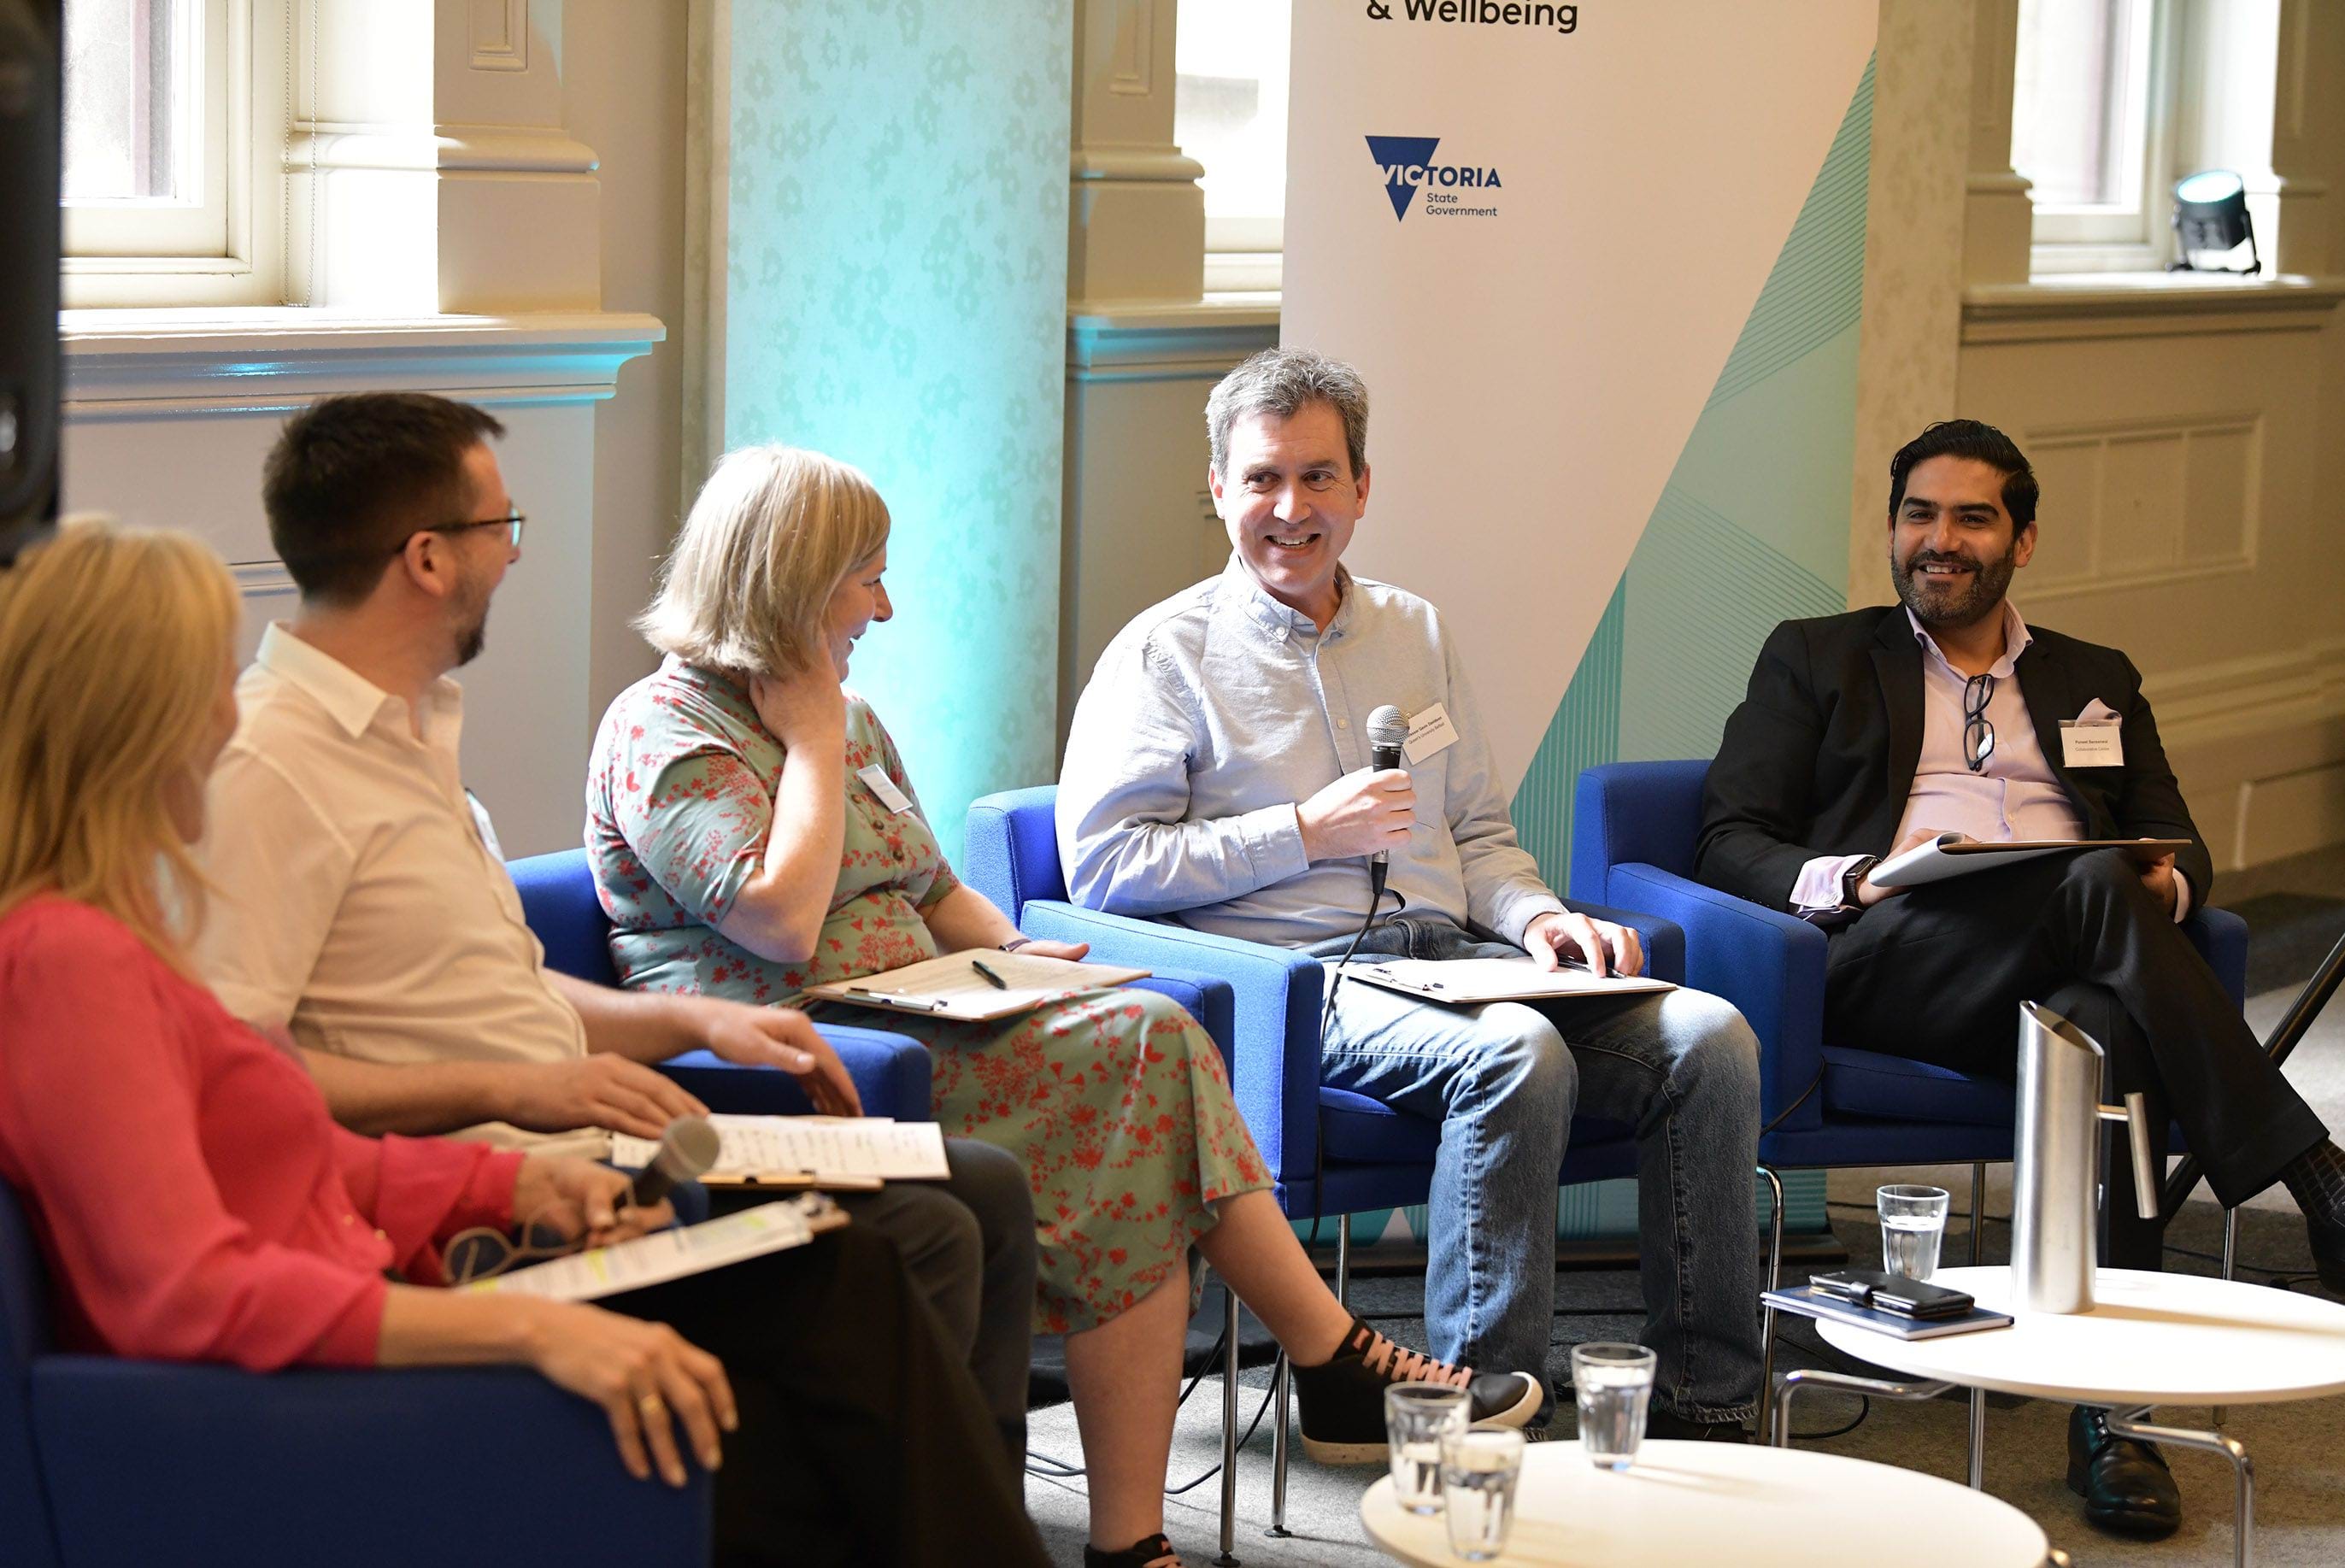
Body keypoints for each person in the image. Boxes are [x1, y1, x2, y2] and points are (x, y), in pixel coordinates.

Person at [0, 518, 1049, 1568]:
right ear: (129, 722)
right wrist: (531, 1329)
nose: (228, 714)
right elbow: (189, 1288)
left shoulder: (114, 934)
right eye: (204, 688)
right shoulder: (68, 961)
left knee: (838, 1326)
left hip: (373, 1307)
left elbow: (307, 1156)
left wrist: (500, 1191)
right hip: (306, 1401)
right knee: (834, 1330)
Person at [584, 443, 1543, 1568]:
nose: (882, 608)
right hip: (796, 1054)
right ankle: (1322, 1364)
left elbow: (933, 887)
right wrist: (809, 740)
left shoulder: (850, 714)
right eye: (866, 578)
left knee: (1140, 1077)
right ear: (790, 580)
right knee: (1149, 1052)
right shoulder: (665, 728)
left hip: (924, 1018)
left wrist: (1021, 953)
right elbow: (780, 923)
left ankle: (1143, 1530)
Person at [185, 391, 1037, 1475]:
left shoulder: (412, 731)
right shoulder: (273, 768)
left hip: (588, 1149)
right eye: (502, 528)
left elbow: (513, 993)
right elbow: (235, 1078)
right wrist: (508, 1088)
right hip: (493, 1195)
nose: (515, 556)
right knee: (915, 1235)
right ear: (428, 559)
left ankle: (973, 1523)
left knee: (982, 1190)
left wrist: (695, 1023)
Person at [1056, 347, 1766, 1440]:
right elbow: (1104, 867)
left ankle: (1706, 1400)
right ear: (1217, 489)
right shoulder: (1164, 652)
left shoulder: (1413, 630)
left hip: (1456, 955)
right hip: (1299, 977)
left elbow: (1476, 829)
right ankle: (1471, 1407)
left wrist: (1540, 919)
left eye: (1318, 477)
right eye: (1261, 479)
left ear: (1361, 488)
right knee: (1512, 1053)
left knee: (1707, 1035)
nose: (1290, 508)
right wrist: (1301, 833)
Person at [1694, 416, 2345, 1540]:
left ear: (2023, 538)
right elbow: (1727, 838)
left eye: (1971, 516)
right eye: (1918, 513)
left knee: (2106, 1016)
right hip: (1895, 957)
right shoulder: (1817, 653)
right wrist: (1850, 877)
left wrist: (2167, 880)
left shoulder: (2094, 677)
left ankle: (2111, 1408)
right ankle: (2315, 1176)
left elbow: (2178, 842)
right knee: (2096, 896)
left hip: (2067, 969)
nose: (1937, 539)